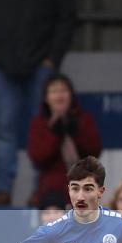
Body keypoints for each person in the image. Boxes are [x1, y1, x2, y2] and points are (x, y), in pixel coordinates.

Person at [0, 0, 77, 206]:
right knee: (4, 130)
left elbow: (67, 17)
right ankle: (3, 190)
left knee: (45, 128)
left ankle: (42, 189)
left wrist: (52, 58)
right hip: (2, 65)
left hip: (41, 65)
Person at [27, 73, 102, 208]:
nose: (59, 96)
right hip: (52, 190)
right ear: (46, 98)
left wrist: (76, 132)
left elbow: (94, 151)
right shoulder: (39, 123)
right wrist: (55, 134)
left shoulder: (84, 118)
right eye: (54, 91)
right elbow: (38, 157)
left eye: (63, 91)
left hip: (83, 187)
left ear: (71, 95)